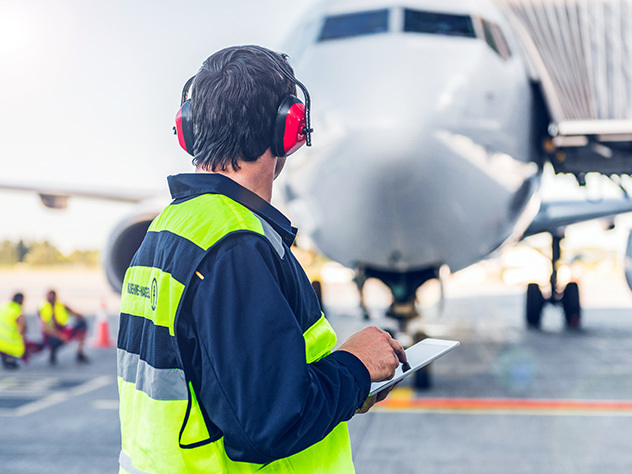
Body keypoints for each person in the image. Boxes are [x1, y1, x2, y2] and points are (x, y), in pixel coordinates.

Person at [117, 45, 407, 473]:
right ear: (290, 129)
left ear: (190, 129)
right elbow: (267, 424)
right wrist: (356, 366)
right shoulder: (236, 246)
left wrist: (345, 390)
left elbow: (224, 390)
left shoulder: (170, 227)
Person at [39, 290, 88, 365]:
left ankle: (79, 353)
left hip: (63, 330)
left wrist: (73, 311)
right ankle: (52, 352)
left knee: (82, 325)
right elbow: (45, 329)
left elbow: (78, 315)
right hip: (51, 334)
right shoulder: (43, 309)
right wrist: (61, 336)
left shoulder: (61, 306)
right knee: (51, 341)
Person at [0, 293, 43, 368]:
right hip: (9, 343)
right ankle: (11, 358)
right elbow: (22, 326)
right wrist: (22, 339)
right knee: (25, 347)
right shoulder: (17, 309)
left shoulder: (4, 306)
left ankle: (7, 357)